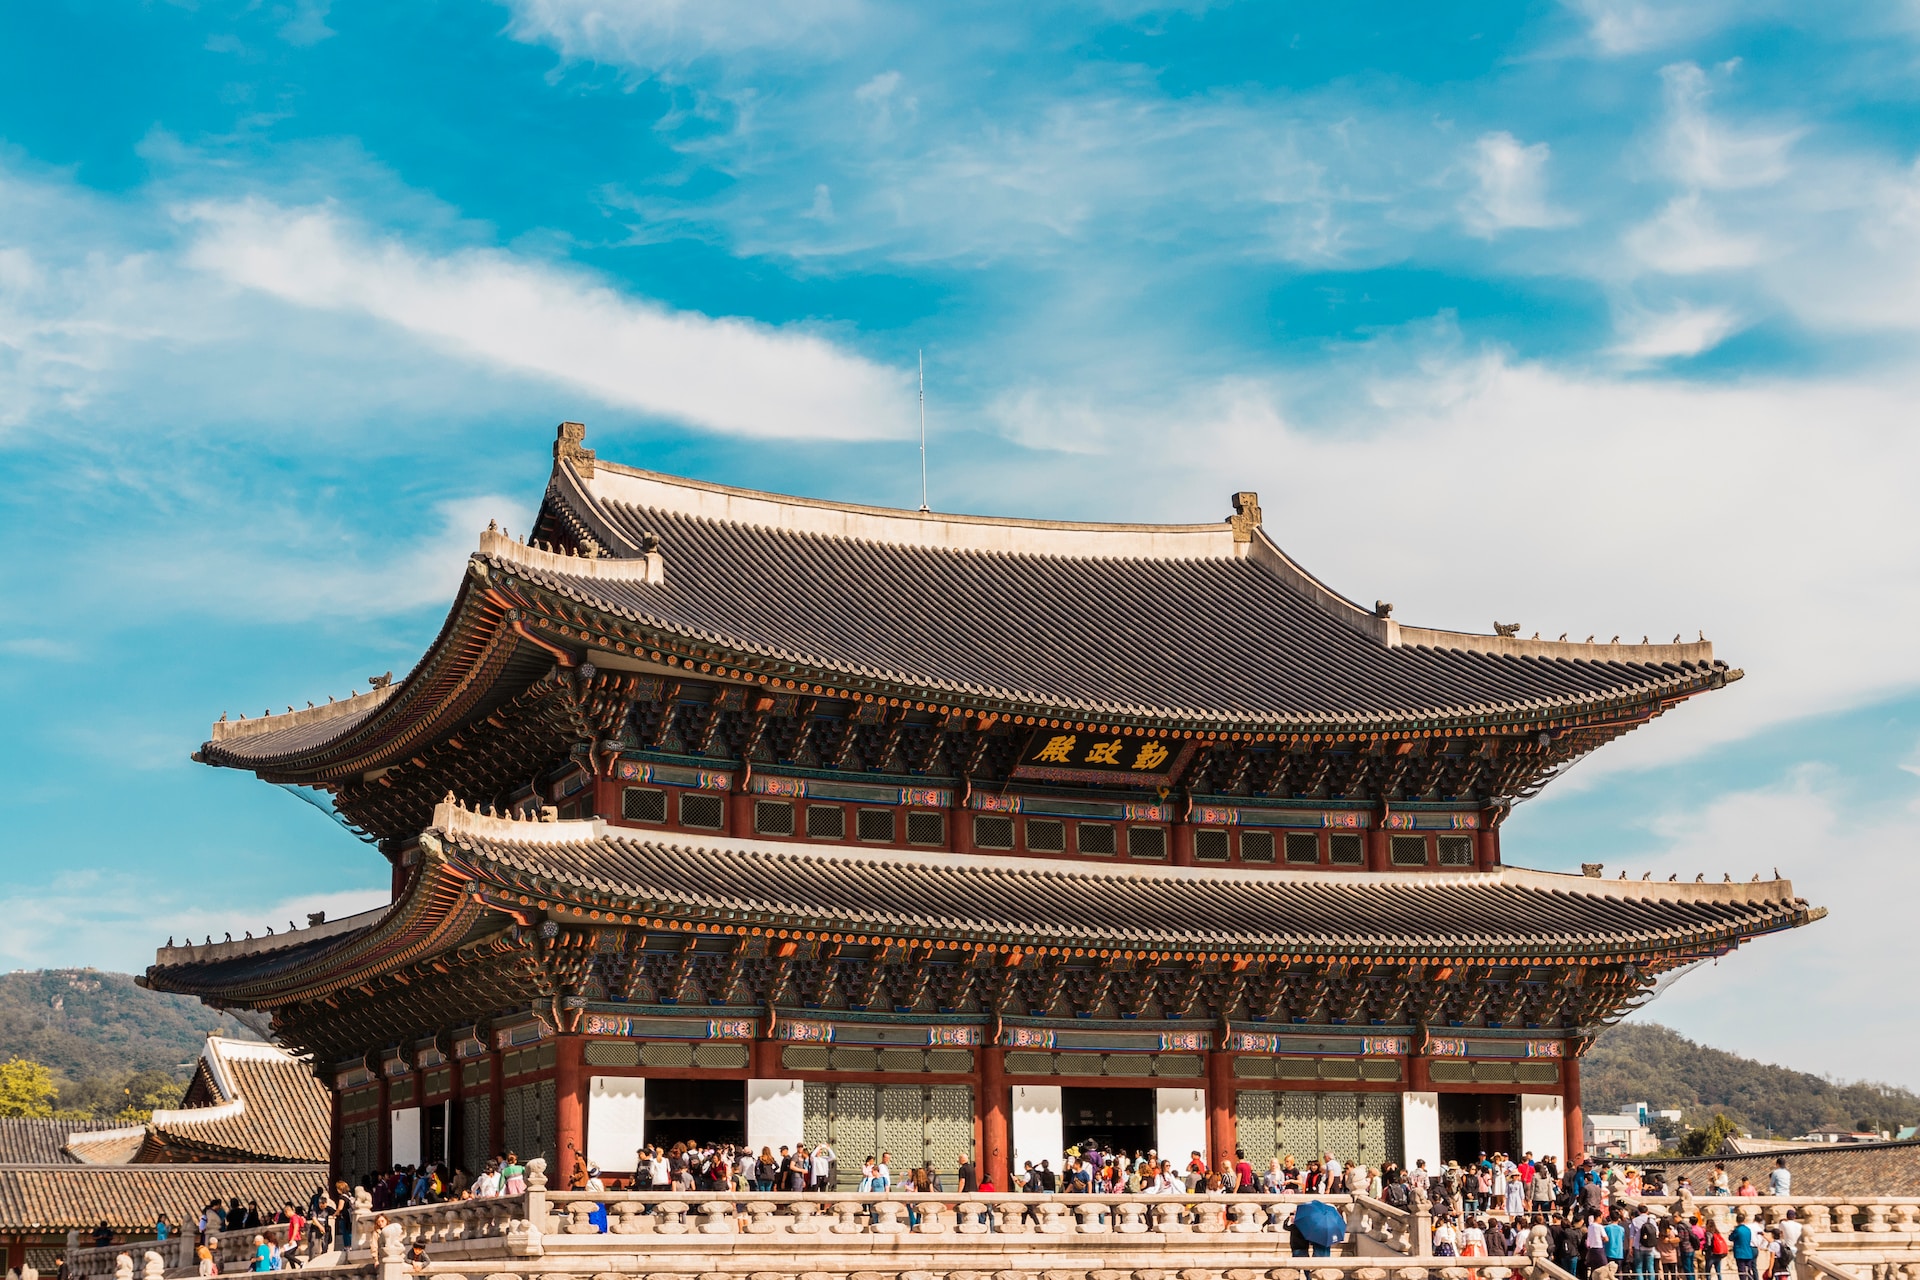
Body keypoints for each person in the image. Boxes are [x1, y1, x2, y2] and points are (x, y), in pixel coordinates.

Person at [1730, 1215, 1757, 1280]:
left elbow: (1731, 1238)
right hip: (1748, 1252)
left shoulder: (1737, 1230)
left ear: (1736, 1221)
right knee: (1749, 1270)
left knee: (1742, 1271)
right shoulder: (1748, 1229)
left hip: (1740, 1253)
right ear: (1744, 1220)